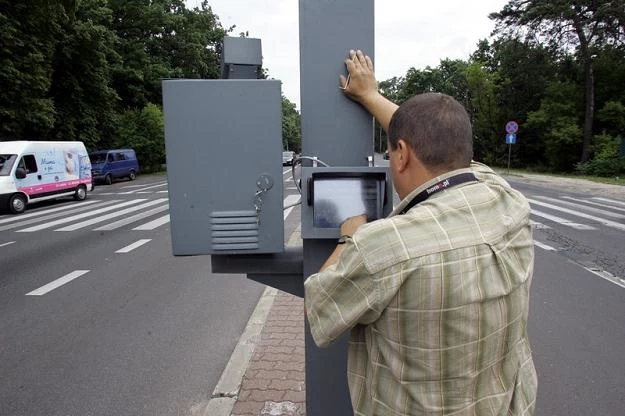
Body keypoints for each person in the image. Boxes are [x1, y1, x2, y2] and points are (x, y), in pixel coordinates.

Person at [304, 50, 537, 415]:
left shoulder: (382, 246)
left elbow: (321, 307)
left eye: (391, 151)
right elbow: (438, 142)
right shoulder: (506, 198)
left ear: (401, 155)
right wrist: (370, 96)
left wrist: (350, 235)